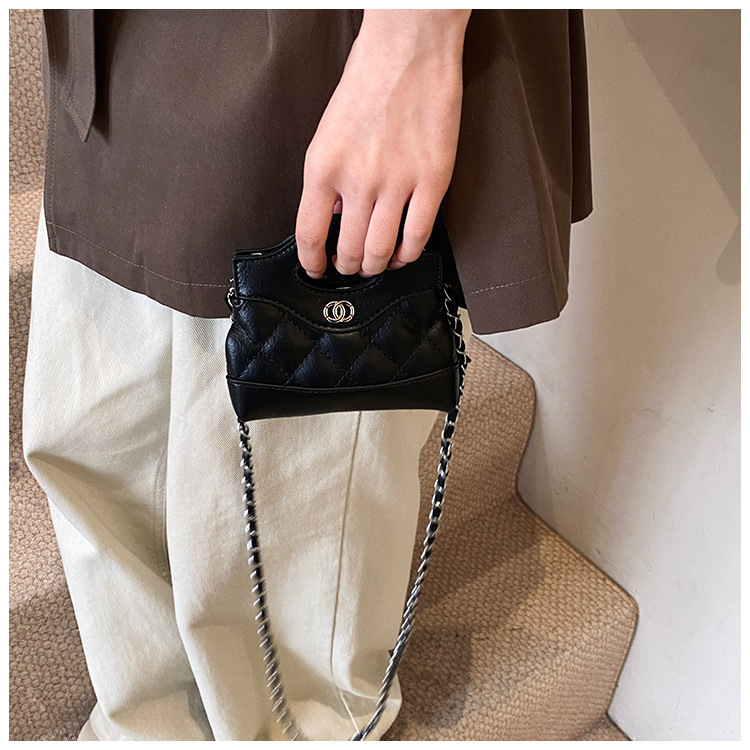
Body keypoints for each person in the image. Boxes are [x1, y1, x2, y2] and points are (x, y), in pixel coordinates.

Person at [22, 9, 593, 741]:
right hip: (127, 45)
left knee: (296, 503)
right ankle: (146, 728)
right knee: (93, 442)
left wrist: (411, 48)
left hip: (324, 41)